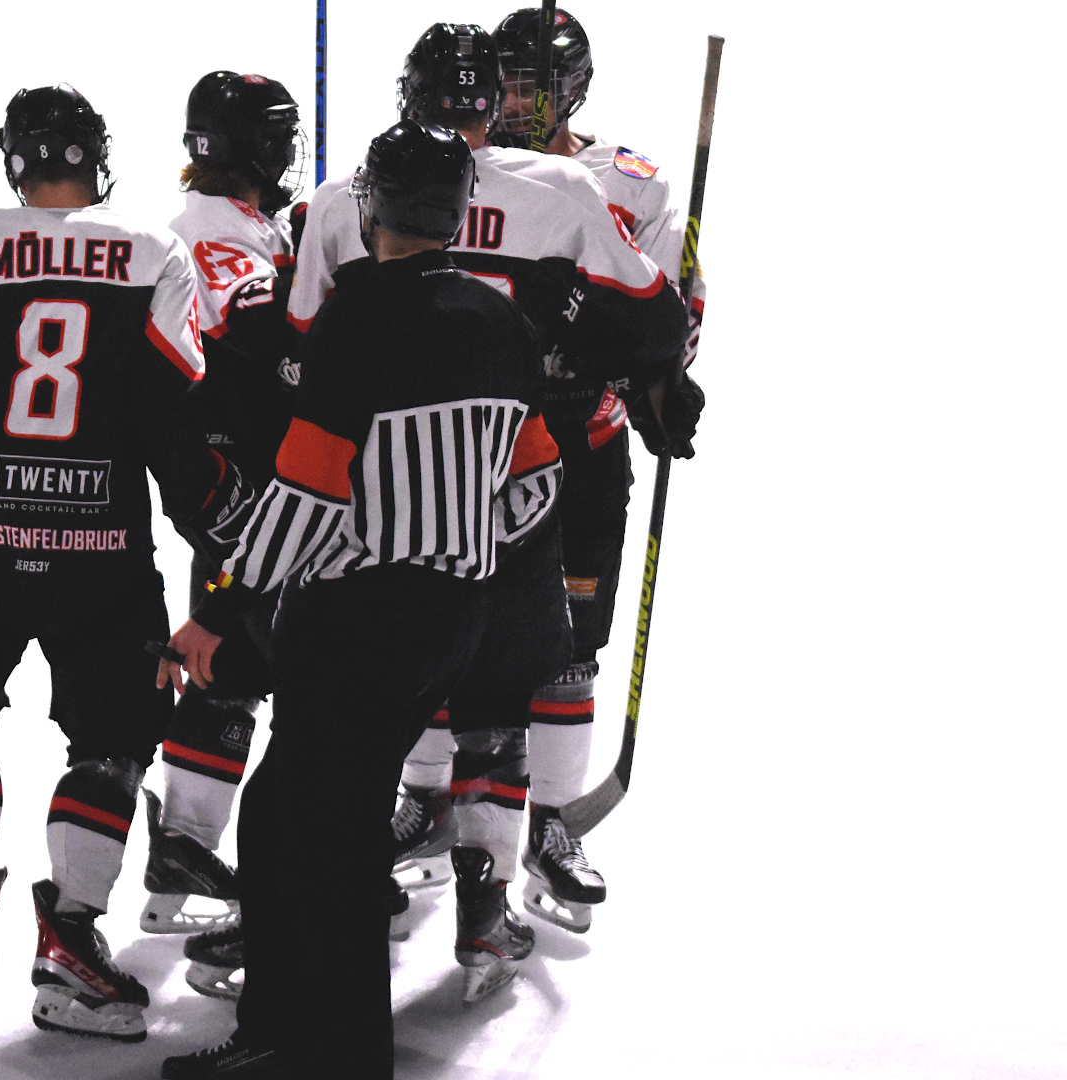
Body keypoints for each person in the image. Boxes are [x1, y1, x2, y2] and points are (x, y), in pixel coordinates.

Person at [288, 21, 695, 950]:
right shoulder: (566, 191)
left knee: (465, 644)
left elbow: (307, 341)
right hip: (534, 460)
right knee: (508, 654)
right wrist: (635, 357)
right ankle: (466, 850)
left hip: (421, 465)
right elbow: (655, 319)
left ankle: (529, 822)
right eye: (503, 87)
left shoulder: (351, 196)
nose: (517, 101)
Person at [160, 120, 554, 1080]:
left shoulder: (358, 313)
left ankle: (330, 1057)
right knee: (283, 812)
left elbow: (308, 488)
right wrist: (448, 539)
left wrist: (224, 601)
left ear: (371, 205)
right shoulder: (504, 319)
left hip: (359, 624)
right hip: (452, 621)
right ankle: (276, 1034)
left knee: (326, 840)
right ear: (460, 211)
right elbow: (537, 485)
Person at [0, 85, 251, 1042]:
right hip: (101, 547)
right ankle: (73, 940)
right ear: (98, 159)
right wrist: (218, 532)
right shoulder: (151, 252)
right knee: (114, 742)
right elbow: (175, 420)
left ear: (16, 161)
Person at [488, 4, 707, 932]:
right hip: (469, 446)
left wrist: (662, 380)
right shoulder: (457, 164)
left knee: (570, 641)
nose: (515, 100)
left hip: (583, 439)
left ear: (573, 85)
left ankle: (549, 822)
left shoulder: (633, 183)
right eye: (505, 80)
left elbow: (674, 307)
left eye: (534, 82)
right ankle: (423, 801)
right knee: (438, 625)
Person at [139, 69, 303, 945]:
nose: (287, 151)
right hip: (240, 476)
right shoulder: (212, 230)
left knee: (231, 653)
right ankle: (276, 870)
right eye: (277, 135)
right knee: (274, 651)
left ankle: (183, 850)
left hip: (235, 472)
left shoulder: (232, 221)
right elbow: (260, 334)